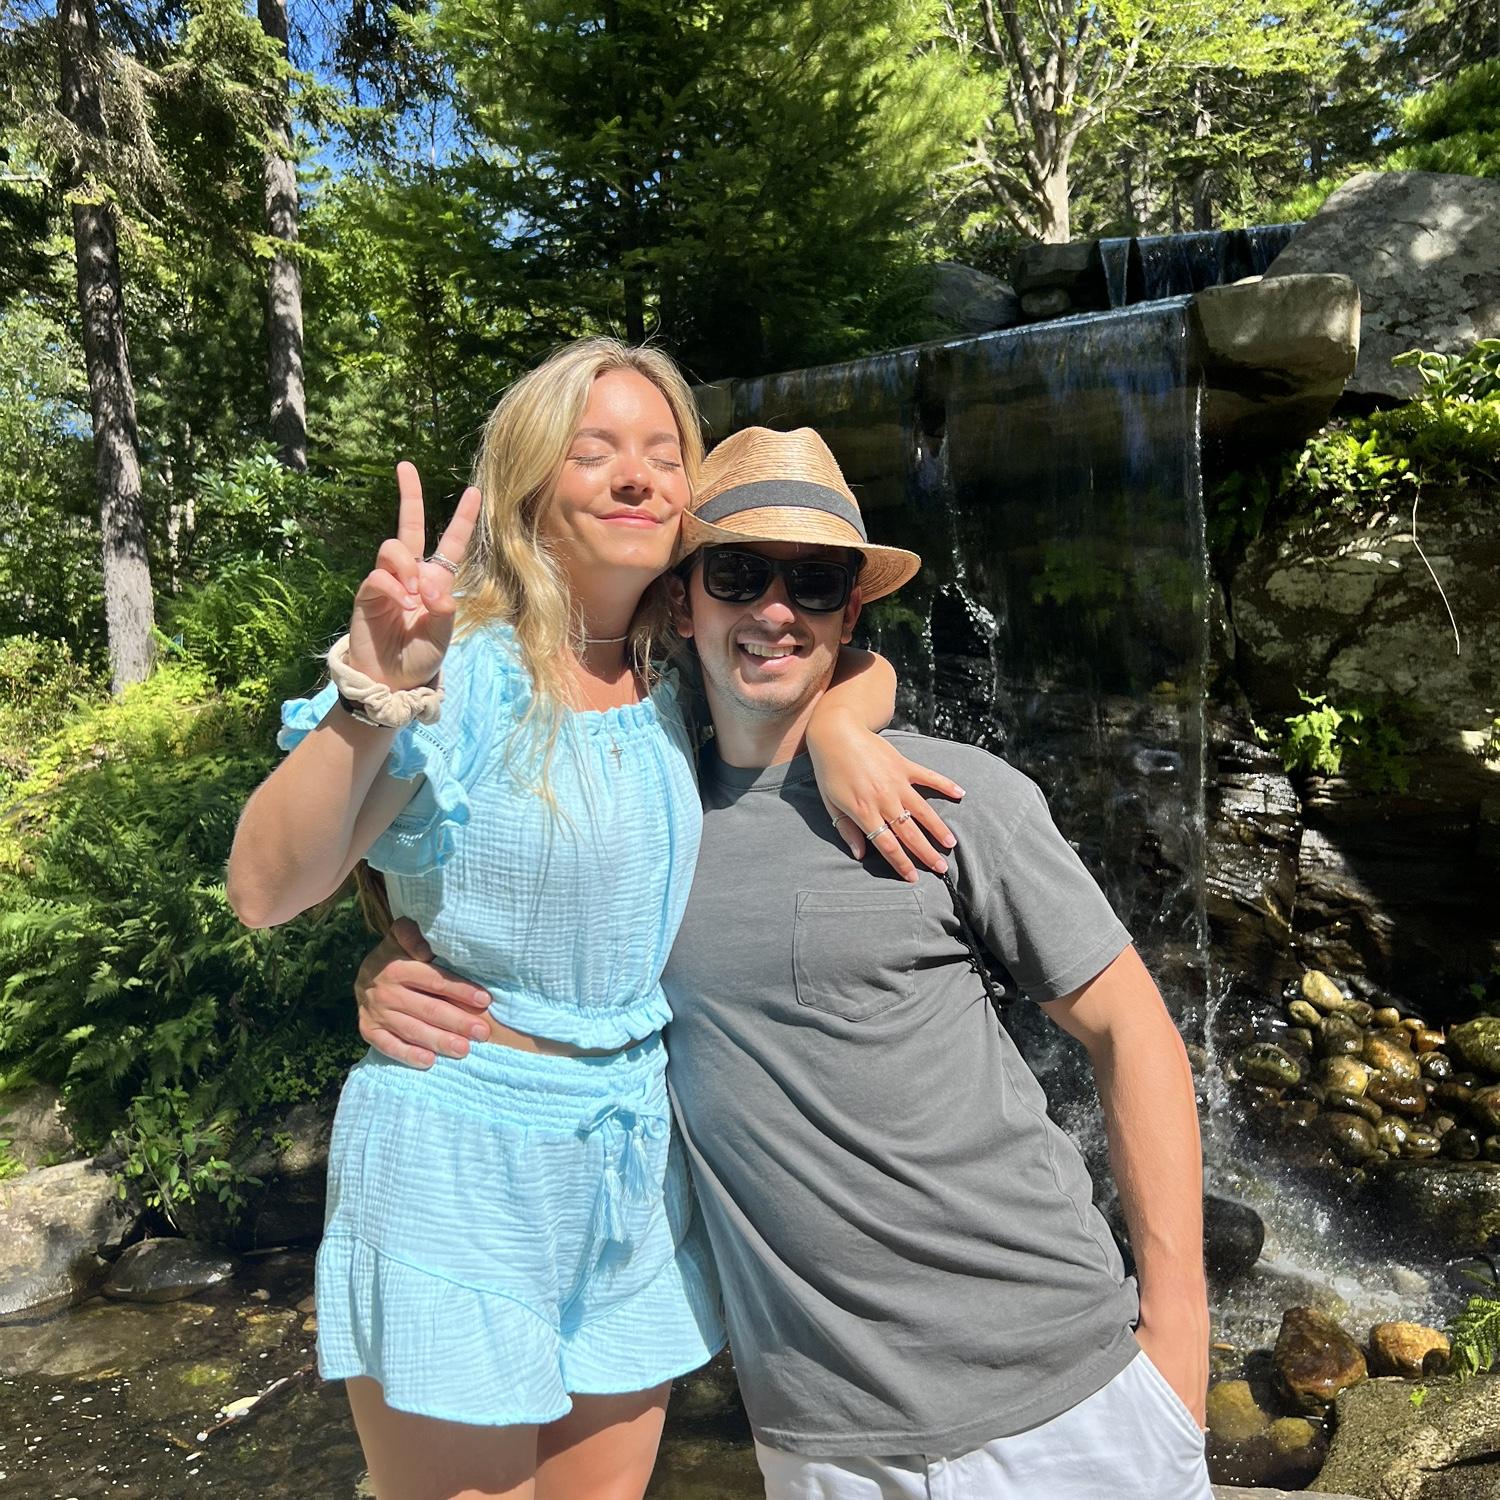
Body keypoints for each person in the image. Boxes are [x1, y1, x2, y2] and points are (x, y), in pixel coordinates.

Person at [357, 425, 1215, 1500]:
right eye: (738, 573)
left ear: (850, 614)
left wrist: (1179, 1328)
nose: (775, 609)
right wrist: (391, 972)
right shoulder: (638, 822)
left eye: (814, 583)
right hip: (822, 1443)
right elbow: (508, 931)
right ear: (683, 602)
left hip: (1070, 1398)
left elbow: (1131, 1027)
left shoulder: (952, 798)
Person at [224, 343, 964, 1500]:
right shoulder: (456, 671)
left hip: (633, 1155)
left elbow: (847, 662)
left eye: (664, 454)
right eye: (595, 450)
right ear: (530, 485)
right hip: (463, 1154)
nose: (635, 476)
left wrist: (839, 728)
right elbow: (267, 889)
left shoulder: (683, 675)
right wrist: (372, 692)